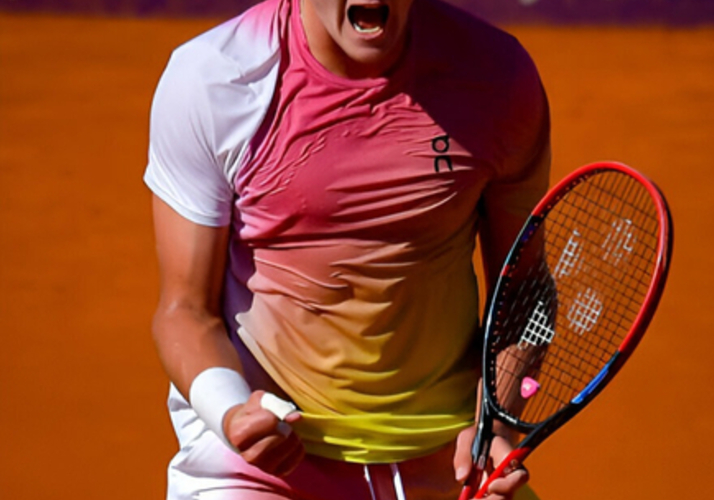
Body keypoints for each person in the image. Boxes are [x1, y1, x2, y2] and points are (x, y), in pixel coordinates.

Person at [144, 0, 550, 499]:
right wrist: (231, 412)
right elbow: (184, 311)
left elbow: (525, 290)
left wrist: (500, 421)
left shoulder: (496, 78)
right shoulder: (215, 81)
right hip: (262, 465)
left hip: (449, 459)